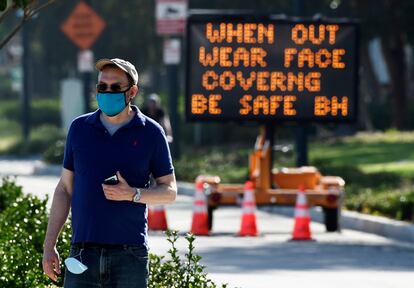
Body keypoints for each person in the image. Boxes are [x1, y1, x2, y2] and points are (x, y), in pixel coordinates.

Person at [42, 58, 177, 287]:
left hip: (130, 256)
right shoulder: (80, 129)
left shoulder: (151, 133)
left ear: (132, 91)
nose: (107, 92)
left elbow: (170, 191)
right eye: (102, 87)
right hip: (82, 255)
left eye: (115, 87)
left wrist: (132, 193)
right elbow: (65, 188)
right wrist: (49, 246)